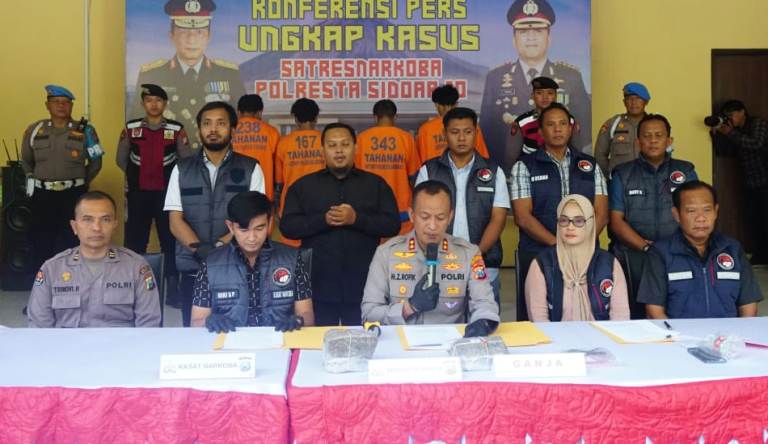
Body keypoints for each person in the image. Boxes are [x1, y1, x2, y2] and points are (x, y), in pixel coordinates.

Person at [281, 123, 400, 325]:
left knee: (365, 339)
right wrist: (323, 220)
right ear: (322, 150)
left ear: (355, 147)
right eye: (332, 145)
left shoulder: (375, 184)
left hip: (365, 284)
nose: (338, 150)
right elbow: (287, 227)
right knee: (319, 340)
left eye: (345, 144)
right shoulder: (303, 186)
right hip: (318, 284)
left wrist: (357, 219)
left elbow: (392, 224)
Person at [164, 101, 265, 326]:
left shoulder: (251, 168)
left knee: (241, 331)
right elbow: (175, 220)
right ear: (199, 130)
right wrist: (199, 249)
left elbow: (255, 220)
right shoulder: (182, 169)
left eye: (221, 123)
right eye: (207, 123)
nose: (213, 129)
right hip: (193, 267)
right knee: (195, 333)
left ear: (233, 130)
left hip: (239, 266)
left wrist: (220, 246)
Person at [361, 180, 500, 335]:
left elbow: (485, 303)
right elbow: (369, 313)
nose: (432, 226)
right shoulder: (386, 253)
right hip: (400, 342)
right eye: (425, 217)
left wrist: (483, 322)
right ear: (412, 215)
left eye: (440, 218)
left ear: (450, 217)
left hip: (450, 343)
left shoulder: (468, 254)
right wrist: (409, 308)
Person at [511, 103, 608, 320]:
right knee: (537, 318)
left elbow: (601, 214)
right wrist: (559, 245)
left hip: (586, 255)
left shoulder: (590, 165)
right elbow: (523, 217)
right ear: (540, 131)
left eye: (563, 124)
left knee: (588, 314)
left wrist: (581, 243)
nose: (557, 129)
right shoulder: (524, 166)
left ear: (570, 128)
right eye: (551, 124)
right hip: (539, 254)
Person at [480, 0, 591, 168]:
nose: (531, 37)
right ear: (514, 39)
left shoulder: (571, 77)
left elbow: (584, 128)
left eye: (538, 30)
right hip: (510, 168)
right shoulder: (495, 78)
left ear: (549, 38)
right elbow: (486, 130)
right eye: (523, 31)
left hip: (562, 167)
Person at [415, 107, 509, 305]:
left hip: (483, 264)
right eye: (454, 132)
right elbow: (421, 218)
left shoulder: (493, 171)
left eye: (467, 132)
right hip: (439, 264)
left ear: (476, 133)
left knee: (484, 319)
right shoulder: (429, 170)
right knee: (441, 321)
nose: (461, 138)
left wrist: (476, 255)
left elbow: (498, 218)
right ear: (445, 134)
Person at [28, 191, 161, 328]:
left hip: (119, 342)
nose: (96, 228)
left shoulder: (136, 267)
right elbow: (39, 327)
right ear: (74, 227)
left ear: (114, 225)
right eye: (87, 219)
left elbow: (149, 325)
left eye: (105, 219)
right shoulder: (51, 269)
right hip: (68, 342)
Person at [609, 114, 697, 318]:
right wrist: (646, 247)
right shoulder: (623, 173)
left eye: (659, 135)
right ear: (638, 142)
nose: (653, 140)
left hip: (677, 253)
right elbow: (616, 221)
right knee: (635, 316)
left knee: (678, 312)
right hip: (634, 255)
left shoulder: (685, 171)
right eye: (647, 136)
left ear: (669, 141)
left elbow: (695, 213)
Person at [191, 191, 314, 332]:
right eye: (244, 230)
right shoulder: (210, 263)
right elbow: (196, 322)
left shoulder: (293, 259)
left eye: (259, 228)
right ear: (230, 227)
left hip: (281, 339)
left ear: (270, 223)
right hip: (229, 340)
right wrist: (208, 321)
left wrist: (298, 320)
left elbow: (308, 316)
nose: (252, 238)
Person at [131, 0, 246, 150]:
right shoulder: (152, 75)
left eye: (199, 32)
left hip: (216, 156)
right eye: (184, 32)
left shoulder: (229, 74)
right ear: (171, 35)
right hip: (170, 157)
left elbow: (243, 124)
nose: (192, 40)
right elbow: (137, 125)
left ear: (209, 36)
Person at [638, 181, 763, 319]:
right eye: (691, 211)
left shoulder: (733, 249)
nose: (701, 218)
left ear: (716, 212)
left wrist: (740, 332)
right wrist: (674, 334)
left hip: (728, 332)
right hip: (680, 332)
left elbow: (749, 304)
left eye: (707, 210)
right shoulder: (660, 253)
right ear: (676, 214)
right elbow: (654, 311)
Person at [117, 83, 191, 308]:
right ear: (143, 104)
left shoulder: (176, 129)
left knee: (170, 241)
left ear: (165, 104)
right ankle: (132, 287)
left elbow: (186, 161)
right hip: (138, 195)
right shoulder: (131, 128)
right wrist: (135, 177)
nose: (154, 104)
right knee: (135, 241)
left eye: (158, 100)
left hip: (167, 196)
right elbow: (121, 159)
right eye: (149, 100)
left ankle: (173, 290)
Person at [21, 85, 104, 270]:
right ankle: (42, 281)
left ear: (71, 106)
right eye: (56, 102)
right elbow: (26, 161)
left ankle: (74, 281)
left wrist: (81, 183)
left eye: (66, 102)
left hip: (73, 195)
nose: (61, 105)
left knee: (73, 240)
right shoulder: (35, 129)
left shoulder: (86, 131)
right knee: (40, 240)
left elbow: (96, 162)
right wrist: (32, 179)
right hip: (42, 195)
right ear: (47, 105)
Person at [526, 194, 629, 322]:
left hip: (601, 335)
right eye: (564, 220)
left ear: (590, 223)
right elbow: (539, 321)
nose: (570, 227)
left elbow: (620, 318)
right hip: (555, 335)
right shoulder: (542, 265)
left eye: (579, 221)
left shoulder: (609, 264)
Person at [712, 99, 768, 264]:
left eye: (732, 115)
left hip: (765, 179)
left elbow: (757, 143)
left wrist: (730, 133)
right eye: (726, 116)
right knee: (756, 220)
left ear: (742, 112)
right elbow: (725, 152)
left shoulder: (757, 123)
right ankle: (761, 255)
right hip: (751, 182)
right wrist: (716, 135)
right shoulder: (736, 132)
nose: (729, 119)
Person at [356, 99, 422, 234]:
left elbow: (355, 176)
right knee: (401, 247)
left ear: (375, 117)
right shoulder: (406, 138)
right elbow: (415, 177)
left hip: (369, 209)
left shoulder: (361, 139)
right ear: (395, 116)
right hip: (401, 211)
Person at [275, 98, 324, 246]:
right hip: (321, 202)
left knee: (291, 250)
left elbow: (279, 181)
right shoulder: (325, 141)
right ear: (316, 118)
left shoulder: (283, 143)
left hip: (291, 203)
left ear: (295, 119)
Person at [417, 84, 490, 163]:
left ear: (436, 105)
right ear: (456, 104)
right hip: (465, 169)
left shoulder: (425, 129)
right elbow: (483, 158)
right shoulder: (471, 126)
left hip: (433, 170)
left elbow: (418, 162)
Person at [594, 82, 651, 176]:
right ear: (624, 102)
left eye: (638, 98)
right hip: (619, 181)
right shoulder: (612, 124)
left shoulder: (655, 125)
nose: (633, 102)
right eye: (629, 98)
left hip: (648, 180)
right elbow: (600, 155)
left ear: (646, 102)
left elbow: (664, 154)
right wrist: (611, 176)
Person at [232, 94, 280, 201]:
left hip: (233, 191)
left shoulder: (228, 131)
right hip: (263, 192)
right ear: (259, 112)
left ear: (238, 112)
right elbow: (277, 167)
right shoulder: (272, 132)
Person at [506, 76, 559, 165]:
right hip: (530, 169)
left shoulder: (569, 121)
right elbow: (511, 156)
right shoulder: (521, 122)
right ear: (532, 96)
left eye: (550, 93)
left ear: (556, 96)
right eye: (539, 93)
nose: (545, 97)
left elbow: (575, 154)